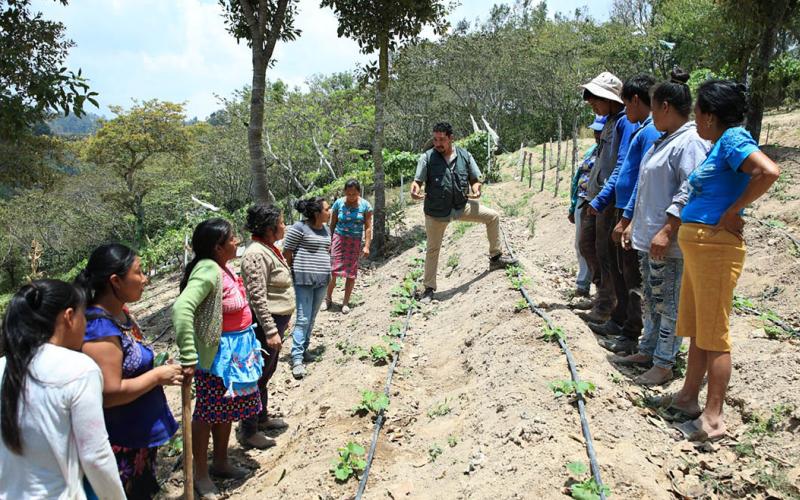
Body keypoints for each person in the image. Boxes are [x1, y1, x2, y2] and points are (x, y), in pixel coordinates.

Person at [659, 80, 780, 441]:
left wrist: (733, 211)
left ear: (709, 116)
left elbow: (769, 171)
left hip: (715, 248)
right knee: (699, 329)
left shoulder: (732, 139)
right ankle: (686, 398)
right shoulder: (718, 146)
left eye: (697, 112)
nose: (694, 119)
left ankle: (712, 419)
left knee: (714, 334)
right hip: (702, 249)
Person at [611, 69, 710, 386]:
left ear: (665, 106)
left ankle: (665, 363)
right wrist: (632, 224)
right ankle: (648, 350)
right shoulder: (664, 141)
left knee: (669, 302)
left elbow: (690, 188)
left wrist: (668, 230)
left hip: (669, 242)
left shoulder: (690, 143)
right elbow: (644, 188)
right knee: (651, 299)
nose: (650, 114)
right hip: (648, 237)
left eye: (653, 108)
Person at [0, 279, 126, 499]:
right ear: (69, 317)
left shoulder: (4, 366)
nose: (85, 324)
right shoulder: (78, 369)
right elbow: (95, 456)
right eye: (83, 316)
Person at [76, 244, 181, 499]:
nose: (145, 279)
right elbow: (110, 393)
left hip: (138, 437)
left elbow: (130, 367)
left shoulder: (120, 315)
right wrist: (156, 377)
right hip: (121, 443)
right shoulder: (99, 328)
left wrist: (156, 370)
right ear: (115, 281)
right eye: (139, 272)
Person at [173, 218, 264, 498]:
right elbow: (181, 308)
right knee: (207, 414)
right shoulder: (207, 269)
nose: (237, 241)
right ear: (217, 247)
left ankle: (221, 462)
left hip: (235, 354)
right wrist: (189, 354)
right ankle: (200, 474)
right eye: (232, 238)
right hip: (217, 359)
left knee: (226, 409)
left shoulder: (222, 267)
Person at [586, 74, 661, 353]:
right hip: (623, 206)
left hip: (630, 210)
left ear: (636, 101)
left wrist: (625, 215)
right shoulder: (638, 127)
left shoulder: (641, 130)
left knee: (631, 275)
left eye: (627, 104)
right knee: (619, 268)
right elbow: (626, 170)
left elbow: (634, 175)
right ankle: (621, 322)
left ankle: (632, 333)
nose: (626, 110)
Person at [410, 122, 517, 303]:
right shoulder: (427, 158)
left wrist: (476, 189)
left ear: (451, 138)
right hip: (436, 212)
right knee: (432, 249)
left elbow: (475, 179)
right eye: (435, 139)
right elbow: (417, 182)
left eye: (442, 139)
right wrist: (414, 190)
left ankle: (496, 257)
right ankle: (429, 288)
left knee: (493, 217)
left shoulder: (465, 156)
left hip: (461, 206)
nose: (437, 143)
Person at [578, 72, 639, 325]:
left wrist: (602, 197)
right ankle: (605, 297)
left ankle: (608, 306)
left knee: (606, 254)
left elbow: (622, 163)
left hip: (609, 199)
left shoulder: (625, 123)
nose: (593, 104)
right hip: (598, 196)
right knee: (588, 246)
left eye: (596, 100)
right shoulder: (611, 122)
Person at [238, 204, 294, 449]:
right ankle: (249, 430)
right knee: (256, 376)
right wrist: (270, 330)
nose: (284, 226)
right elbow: (257, 296)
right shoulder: (255, 254)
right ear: (270, 228)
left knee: (266, 373)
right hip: (264, 326)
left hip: (276, 322)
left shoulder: (268, 249)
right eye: (281, 222)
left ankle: (261, 417)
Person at [283, 197, 332, 380]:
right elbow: (287, 252)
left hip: (322, 280)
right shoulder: (299, 228)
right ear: (317, 213)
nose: (330, 212)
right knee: (302, 318)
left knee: (311, 317)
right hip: (304, 280)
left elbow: (326, 251)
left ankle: (304, 350)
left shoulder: (326, 229)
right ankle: (296, 359)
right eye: (327, 209)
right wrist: (293, 271)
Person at [568, 115, 606, 300]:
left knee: (593, 246)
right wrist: (573, 205)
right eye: (595, 130)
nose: (597, 133)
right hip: (583, 202)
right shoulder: (592, 150)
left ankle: (598, 290)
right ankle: (584, 284)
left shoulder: (609, 152)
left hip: (598, 205)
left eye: (600, 130)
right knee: (581, 244)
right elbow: (578, 178)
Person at [323, 179, 373, 314]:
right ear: (345, 192)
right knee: (333, 271)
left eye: (354, 194)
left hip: (354, 241)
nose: (351, 197)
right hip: (338, 239)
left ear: (359, 192)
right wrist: (329, 241)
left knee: (350, 274)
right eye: (348, 194)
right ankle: (328, 299)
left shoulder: (365, 206)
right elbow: (332, 224)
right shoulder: (339, 203)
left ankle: (345, 303)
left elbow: (368, 227)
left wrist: (367, 246)